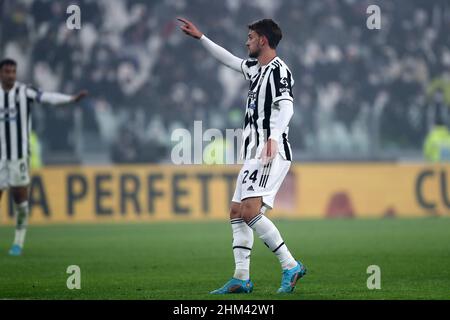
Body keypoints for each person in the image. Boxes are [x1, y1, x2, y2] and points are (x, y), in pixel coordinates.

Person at [178, 18, 306, 294]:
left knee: (249, 211)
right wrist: (201, 38)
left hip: (270, 151)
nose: (246, 41)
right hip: (254, 153)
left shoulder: (279, 71)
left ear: (263, 40)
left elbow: (286, 109)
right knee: (237, 212)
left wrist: (272, 138)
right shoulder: (253, 68)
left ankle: (290, 265)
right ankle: (241, 277)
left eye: (250, 37)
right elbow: (228, 59)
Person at [0, 58, 87, 256]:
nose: (10, 75)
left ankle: (18, 243)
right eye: (7, 71)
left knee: (20, 201)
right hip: (0, 157)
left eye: (13, 71)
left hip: (18, 158)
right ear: (0, 74)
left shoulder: (24, 91)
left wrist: (70, 99)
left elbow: (47, 97)